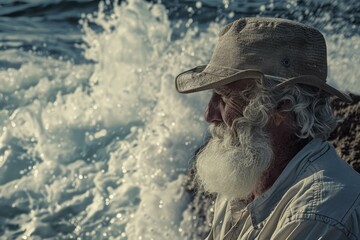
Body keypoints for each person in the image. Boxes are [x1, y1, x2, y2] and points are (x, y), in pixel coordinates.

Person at [175, 17, 360, 240]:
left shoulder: (319, 213)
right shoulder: (242, 184)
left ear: (283, 106)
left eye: (224, 98)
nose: (208, 114)